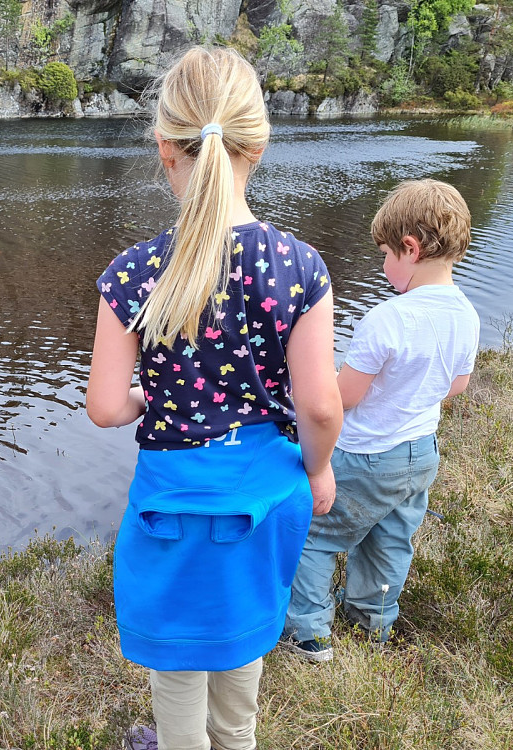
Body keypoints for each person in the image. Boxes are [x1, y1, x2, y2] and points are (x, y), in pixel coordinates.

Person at [86, 46, 343, 750]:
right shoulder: (299, 266)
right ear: (256, 146)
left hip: (173, 503)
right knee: (241, 646)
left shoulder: (131, 272)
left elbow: (106, 407)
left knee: (178, 667)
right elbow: (320, 408)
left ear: (164, 150)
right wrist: (319, 470)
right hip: (264, 498)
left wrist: (145, 398)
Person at [282, 179, 480, 663]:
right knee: (391, 538)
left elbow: (344, 396)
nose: (384, 264)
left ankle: (310, 635)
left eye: (386, 253)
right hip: (420, 455)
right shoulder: (467, 314)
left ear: (410, 249)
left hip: (366, 456)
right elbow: (456, 386)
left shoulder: (389, 318)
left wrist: (308, 382)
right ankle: (374, 624)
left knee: (314, 535)